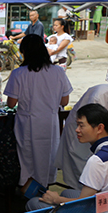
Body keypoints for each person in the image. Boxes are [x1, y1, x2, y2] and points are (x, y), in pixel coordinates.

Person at [26, 104, 108, 211]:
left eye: (81, 126)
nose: (77, 130)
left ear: (100, 128)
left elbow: (83, 203)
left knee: (34, 203)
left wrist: (56, 199)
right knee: (67, 193)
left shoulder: (97, 160)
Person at [4, 34, 73, 192]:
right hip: (50, 123)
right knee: (46, 157)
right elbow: (64, 101)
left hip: (28, 124)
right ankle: (43, 191)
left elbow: (11, 103)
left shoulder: (19, 73)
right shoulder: (58, 72)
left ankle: (29, 194)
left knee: (28, 160)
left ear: (25, 52)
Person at [55, 73, 108, 190]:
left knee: (94, 185)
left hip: (103, 146)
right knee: (84, 184)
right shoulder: (100, 95)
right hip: (84, 144)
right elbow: (94, 129)